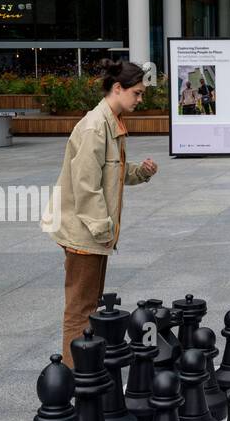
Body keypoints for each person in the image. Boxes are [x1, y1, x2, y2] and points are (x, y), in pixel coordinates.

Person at [42, 59, 158, 364]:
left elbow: (113, 174)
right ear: (117, 88)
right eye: (137, 93)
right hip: (84, 233)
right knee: (80, 310)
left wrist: (142, 173)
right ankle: (73, 377)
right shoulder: (96, 126)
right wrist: (103, 228)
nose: (140, 99)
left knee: (89, 306)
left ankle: (83, 371)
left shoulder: (110, 122)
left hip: (92, 233)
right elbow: (86, 186)